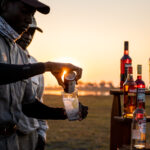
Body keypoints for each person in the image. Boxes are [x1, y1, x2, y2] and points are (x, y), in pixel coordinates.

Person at [0, 0, 88, 150]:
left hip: (11, 141)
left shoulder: (20, 54)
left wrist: (63, 112)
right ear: (4, 4)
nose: (29, 20)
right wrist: (47, 66)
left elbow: (28, 106)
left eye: (32, 14)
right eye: (24, 11)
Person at [16, 17, 48, 150]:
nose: (28, 36)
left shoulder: (37, 66)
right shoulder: (3, 61)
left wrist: (42, 134)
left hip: (31, 135)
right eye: (25, 31)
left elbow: (39, 101)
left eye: (32, 32)